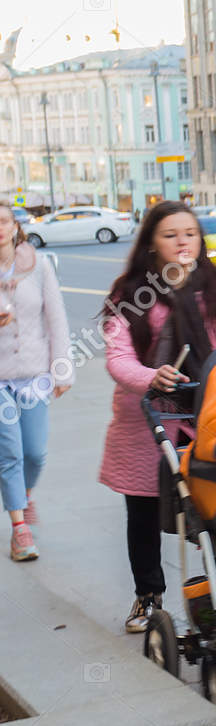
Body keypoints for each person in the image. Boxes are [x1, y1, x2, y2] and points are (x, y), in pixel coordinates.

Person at [97, 201, 216, 644]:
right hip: (145, 425)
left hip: (208, 416)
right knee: (144, 512)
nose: (183, 241)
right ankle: (149, 596)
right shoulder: (129, 292)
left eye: (189, 233)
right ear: (152, 243)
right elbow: (118, 359)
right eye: (171, 235)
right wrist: (152, 377)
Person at [0, 204, 71, 561]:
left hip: (33, 375)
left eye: (3, 221)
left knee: (34, 453)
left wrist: (61, 369)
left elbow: (56, 319)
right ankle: (19, 530)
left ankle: (24, 495)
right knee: (9, 451)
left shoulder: (38, 266)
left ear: (15, 227)